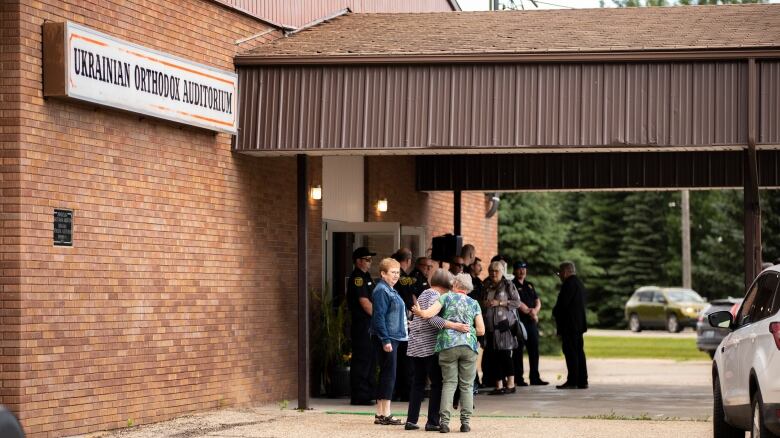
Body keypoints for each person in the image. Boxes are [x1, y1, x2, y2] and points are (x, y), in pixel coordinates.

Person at [412, 273, 485, 434]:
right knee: (466, 385)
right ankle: (465, 422)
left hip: (448, 346)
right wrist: (468, 329)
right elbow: (481, 330)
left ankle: (444, 422)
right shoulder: (474, 303)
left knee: (449, 383)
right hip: (468, 346)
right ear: (468, 288)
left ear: (455, 284)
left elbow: (428, 314)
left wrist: (420, 312)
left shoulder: (445, 298)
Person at [405, 269, 470, 431]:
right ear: (446, 286)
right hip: (429, 345)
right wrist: (455, 325)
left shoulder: (424, 293)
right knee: (437, 384)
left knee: (418, 383)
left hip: (415, 346)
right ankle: (432, 422)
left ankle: (411, 420)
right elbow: (433, 319)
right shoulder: (436, 296)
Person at [370, 258, 408, 425]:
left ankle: (381, 414)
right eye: (392, 272)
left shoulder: (391, 289)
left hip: (394, 336)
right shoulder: (381, 291)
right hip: (388, 338)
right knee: (389, 375)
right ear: (383, 274)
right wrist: (385, 340)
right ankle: (385, 413)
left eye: (398, 272)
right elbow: (378, 317)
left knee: (387, 374)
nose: (396, 275)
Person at [482, 260, 523, 395]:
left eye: (496, 271)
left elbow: (517, 302)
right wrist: (485, 303)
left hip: (504, 326)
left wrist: (499, 302)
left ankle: (511, 384)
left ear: (502, 272)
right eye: (491, 271)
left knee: (505, 355)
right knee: (494, 357)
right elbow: (482, 301)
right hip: (490, 327)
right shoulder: (487, 285)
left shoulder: (508, 285)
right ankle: (498, 386)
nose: (493, 273)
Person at [347, 247, 377, 406]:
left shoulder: (366, 276)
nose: (370, 262)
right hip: (362, 324)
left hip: (369, 324)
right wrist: (380, 318)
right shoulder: (357, 278)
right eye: (367, 259)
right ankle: (359, 395)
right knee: (362, 359)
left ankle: (368, 392)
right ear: (358, 261)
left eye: (371, 259)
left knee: (371, 358)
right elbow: (365, 303)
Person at [552, 261, 588, 390]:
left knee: (571, 352)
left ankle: (573, 380)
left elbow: (563, 305)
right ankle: (582, 380)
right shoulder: (578, 283)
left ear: (566, 272)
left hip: (570, 325)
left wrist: (555, 311)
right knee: (579, 352)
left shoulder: (568, 284)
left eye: (560, 273)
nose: (559, 276)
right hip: (578, 325)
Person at [511, 261, 548, 386]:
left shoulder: (529, 285)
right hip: (520, 322)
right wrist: (528, 311)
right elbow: (517, 302)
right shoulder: (512, 284)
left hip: (531, 321)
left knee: (534, 350)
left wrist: (535, 311)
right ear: (515, 271)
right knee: (518, 350)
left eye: (524, 269)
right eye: (519, 269)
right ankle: (519, 378)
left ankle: (535, 377)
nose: (522, 271)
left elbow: (538, 301)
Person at [391, 248, 415, 402]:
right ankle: (406, 392)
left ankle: (396, 391)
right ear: (408, 261)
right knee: (406, 359)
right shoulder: (404, 277)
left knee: (396, 360)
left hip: (393, 323)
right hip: (403, 322)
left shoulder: (393, 276)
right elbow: (408, 302)